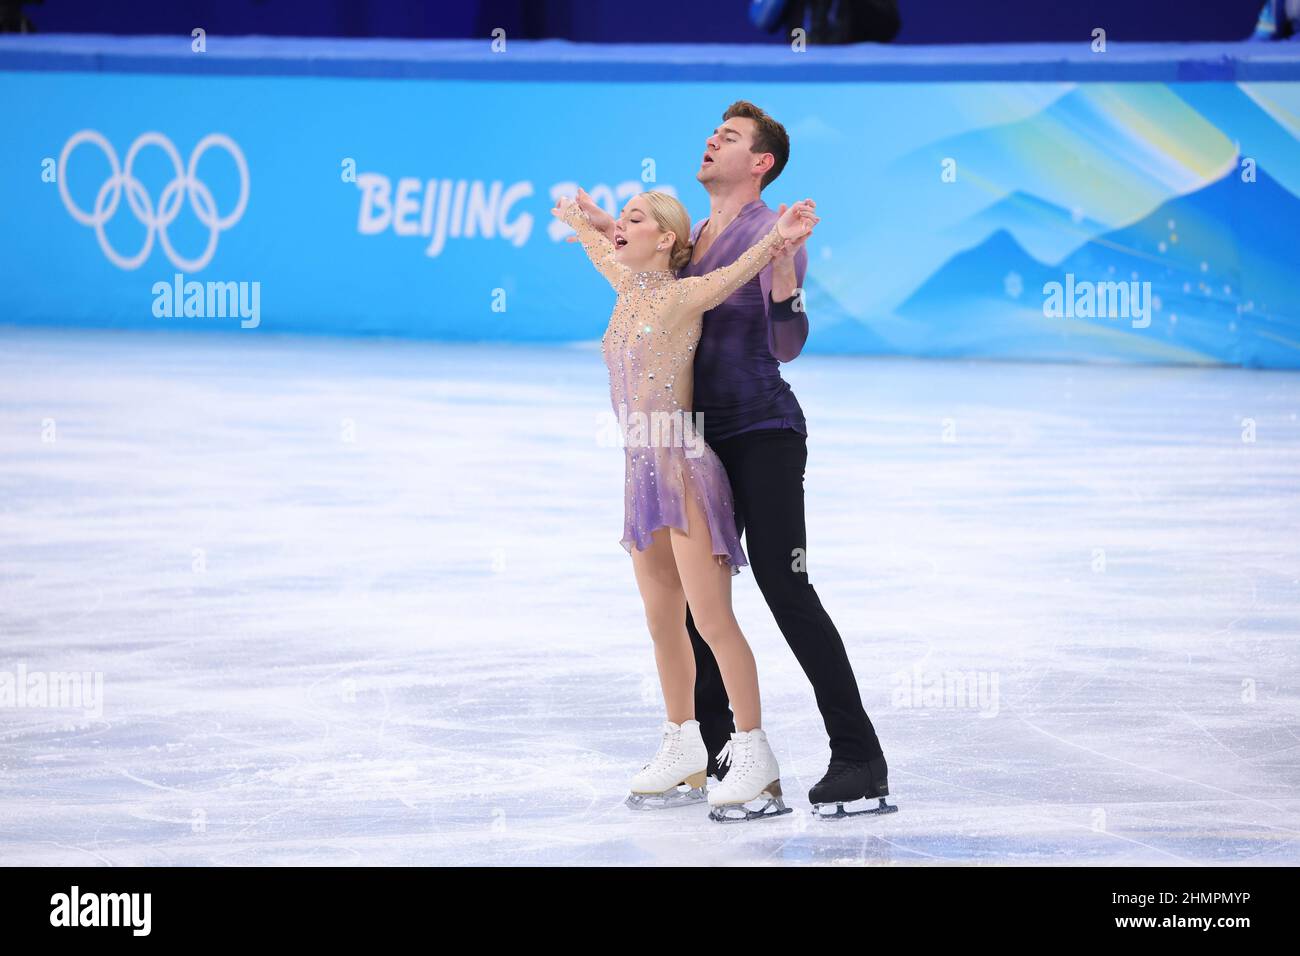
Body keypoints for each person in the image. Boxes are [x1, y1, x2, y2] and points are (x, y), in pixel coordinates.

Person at [574, 101, 896, 818]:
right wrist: (603, 226)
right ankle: (716, 750)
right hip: (699, 441)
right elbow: (646, 273)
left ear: (761, 164)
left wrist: (784, 282)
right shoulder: (703, 232)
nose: (712, 139)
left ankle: (858, 756)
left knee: (787, 592)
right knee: (693, 601)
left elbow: (787, 343)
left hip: (762, 435)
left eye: (731, 137)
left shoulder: (771, 233)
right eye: (712, 132)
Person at [553, 189, 818, 822]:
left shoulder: (679, 297)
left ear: (666, 239)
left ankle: (754, 753)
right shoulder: (627, 285)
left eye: (635, 220)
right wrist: (589, 223)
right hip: (639, 473)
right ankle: (685, 742)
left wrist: (778, 240)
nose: (622, 228)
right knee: (661, 621)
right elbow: (600, 247)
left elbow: (737, 269)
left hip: (684, 468)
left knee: (712, 620)